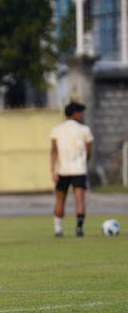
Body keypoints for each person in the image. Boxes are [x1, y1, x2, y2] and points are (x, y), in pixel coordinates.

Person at [50, 101, 93, 237]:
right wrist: (83, 163)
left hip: (62, 170)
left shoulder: (56, 129)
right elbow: (88, 151)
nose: (81, 115)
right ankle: (79, 228)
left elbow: (54, 151)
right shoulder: (84, 130)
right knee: (79, 198)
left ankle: (58, 229)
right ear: (74, 113)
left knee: (59, 198)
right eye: (79, 112)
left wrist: (53, 170)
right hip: (79, 169)